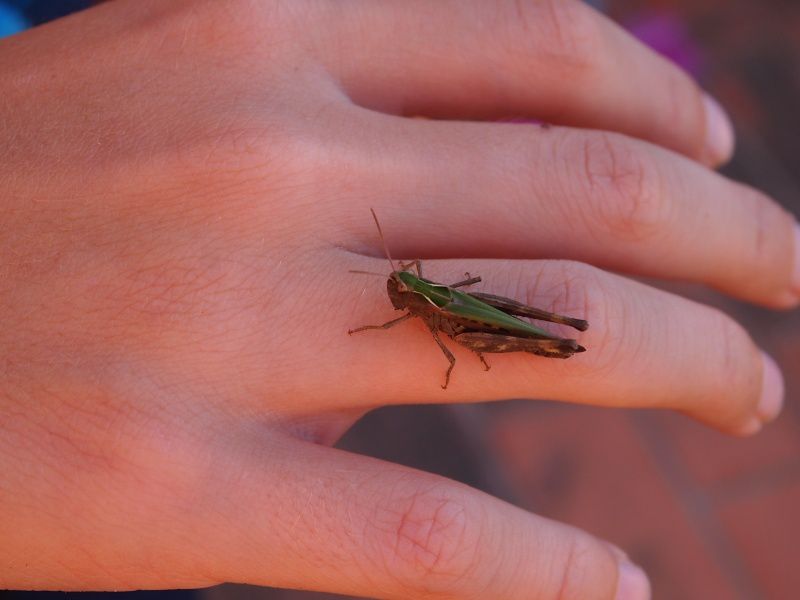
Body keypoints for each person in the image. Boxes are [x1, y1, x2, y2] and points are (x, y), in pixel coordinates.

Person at [0, 1, 795, 598]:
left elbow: (437, 315)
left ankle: (559, 332)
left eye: (400, 281)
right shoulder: (412, 303)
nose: (396, 289)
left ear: (412, 284)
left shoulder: (425, 299)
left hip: (477, 319)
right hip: (457, 313)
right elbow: (409, 312)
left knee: (498, 330)